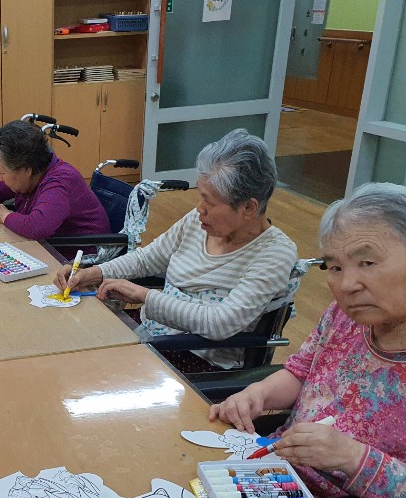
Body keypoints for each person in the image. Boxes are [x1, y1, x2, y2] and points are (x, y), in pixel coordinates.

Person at [210, 182, 406, 498]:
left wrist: (351, 456)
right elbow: (301, 372)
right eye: (334, 267)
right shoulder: (344, 316)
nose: (347, 285)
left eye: (367, 262)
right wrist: (258, 394)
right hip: (275, 478)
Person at [54, 129, 297, 370]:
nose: (199, 208)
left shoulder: (275, 254)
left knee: (86, 369)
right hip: (152, 335)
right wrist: (93, 273)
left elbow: (220, 323)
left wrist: (144, 296)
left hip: (196, 359)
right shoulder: (198, 222)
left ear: (248, 208)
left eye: (209, 201)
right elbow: (147, 259)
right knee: (70, 342)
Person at [0, 120, 111, 242]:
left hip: (84, 255)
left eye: (2, 171)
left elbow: (37, 227)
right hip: (51, 247)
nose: (0, 177)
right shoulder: (33, 174)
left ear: (26, 170)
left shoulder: (60, 182)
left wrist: (3, 215)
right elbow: (0, 186)